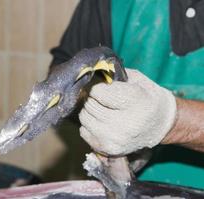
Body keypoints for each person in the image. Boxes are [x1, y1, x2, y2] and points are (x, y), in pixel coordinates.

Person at [50, 0, 204, 188]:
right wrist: (102, 107)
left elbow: (171, 121)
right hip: (126, 187)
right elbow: (62, 72)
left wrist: (172, 120)